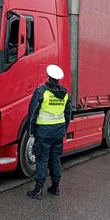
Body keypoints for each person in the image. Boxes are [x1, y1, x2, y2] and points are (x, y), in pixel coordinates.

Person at [26, 64, 71, 200]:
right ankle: (55, 187)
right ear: (58, 79)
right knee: (55, 158)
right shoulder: (65, 93)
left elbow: (33, 112)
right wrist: (64, 129)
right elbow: (67, 114)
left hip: (44, 131)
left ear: (48, 77)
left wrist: (31, 130)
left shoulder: (41, 91)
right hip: (58, 131)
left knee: (42, 158)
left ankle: (38, 189)